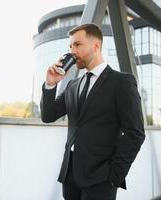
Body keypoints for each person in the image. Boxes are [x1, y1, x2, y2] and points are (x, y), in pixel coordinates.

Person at [40, 23, 145, 200]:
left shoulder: (121, 82)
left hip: (101, 178)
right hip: (70, 174)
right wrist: (51, 84)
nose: (72, 51)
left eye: (77, 45)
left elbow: (135, 133)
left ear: (96, 46)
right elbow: (48, 115)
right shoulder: (73, 85)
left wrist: (114, 176)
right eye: (70, 46)